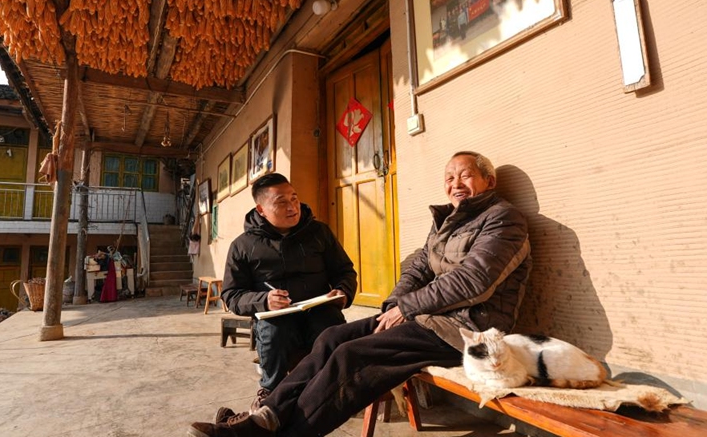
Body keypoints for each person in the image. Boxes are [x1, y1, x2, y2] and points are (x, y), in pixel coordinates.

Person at [188, 151, 532, 437]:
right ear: (262, 209)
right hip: (428, 317)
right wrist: (395, 305)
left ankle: (278, 433)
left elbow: (474, 281)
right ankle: (265, 418)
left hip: (468, 328)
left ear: (490, 181)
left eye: (466, 176)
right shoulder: (447, 222)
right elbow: (417, 269)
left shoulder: (503, 219)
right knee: (333, 338)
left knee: (350, 355)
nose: (456, 184)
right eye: (449, 178)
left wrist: (404, 307)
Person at [220, 172, 357, 412]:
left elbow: (345, 271)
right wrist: (263, 301)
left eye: (294, 198)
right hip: (276, 317)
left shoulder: (319, 232)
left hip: (319, 309)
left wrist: (342, 292)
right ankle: (270, 394)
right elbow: (231, 294)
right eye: (281, 202)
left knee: (331, 327)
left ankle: (333, 389)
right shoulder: (242, 246)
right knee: (274, 332)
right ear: (261, 210)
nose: (292, 206)